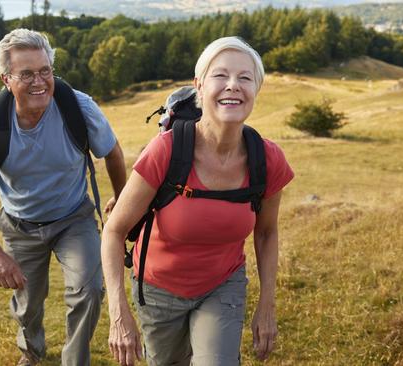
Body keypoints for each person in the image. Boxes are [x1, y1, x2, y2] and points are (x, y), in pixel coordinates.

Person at [101, 36, 294, 365]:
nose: (233, 85)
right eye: (220, 75)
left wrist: (267, 303)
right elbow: (114, 231)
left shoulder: (267, 159)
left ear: (256, 90)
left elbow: (266, 232)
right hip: (158, 288)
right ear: (199, 86)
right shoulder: (167, 150)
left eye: (245, 78)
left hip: (223, 284)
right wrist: (118, 314)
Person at [0, 28, 126, 366]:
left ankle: (74, 360)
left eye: (45, 70)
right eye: (27, 74)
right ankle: (31, 352)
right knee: (27, 304)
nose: (39, 81)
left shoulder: (78, 107)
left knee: (90, 289)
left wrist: (122, 205)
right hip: (20, 225)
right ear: (7, 79)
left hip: (74, 218)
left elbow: (114, 154)